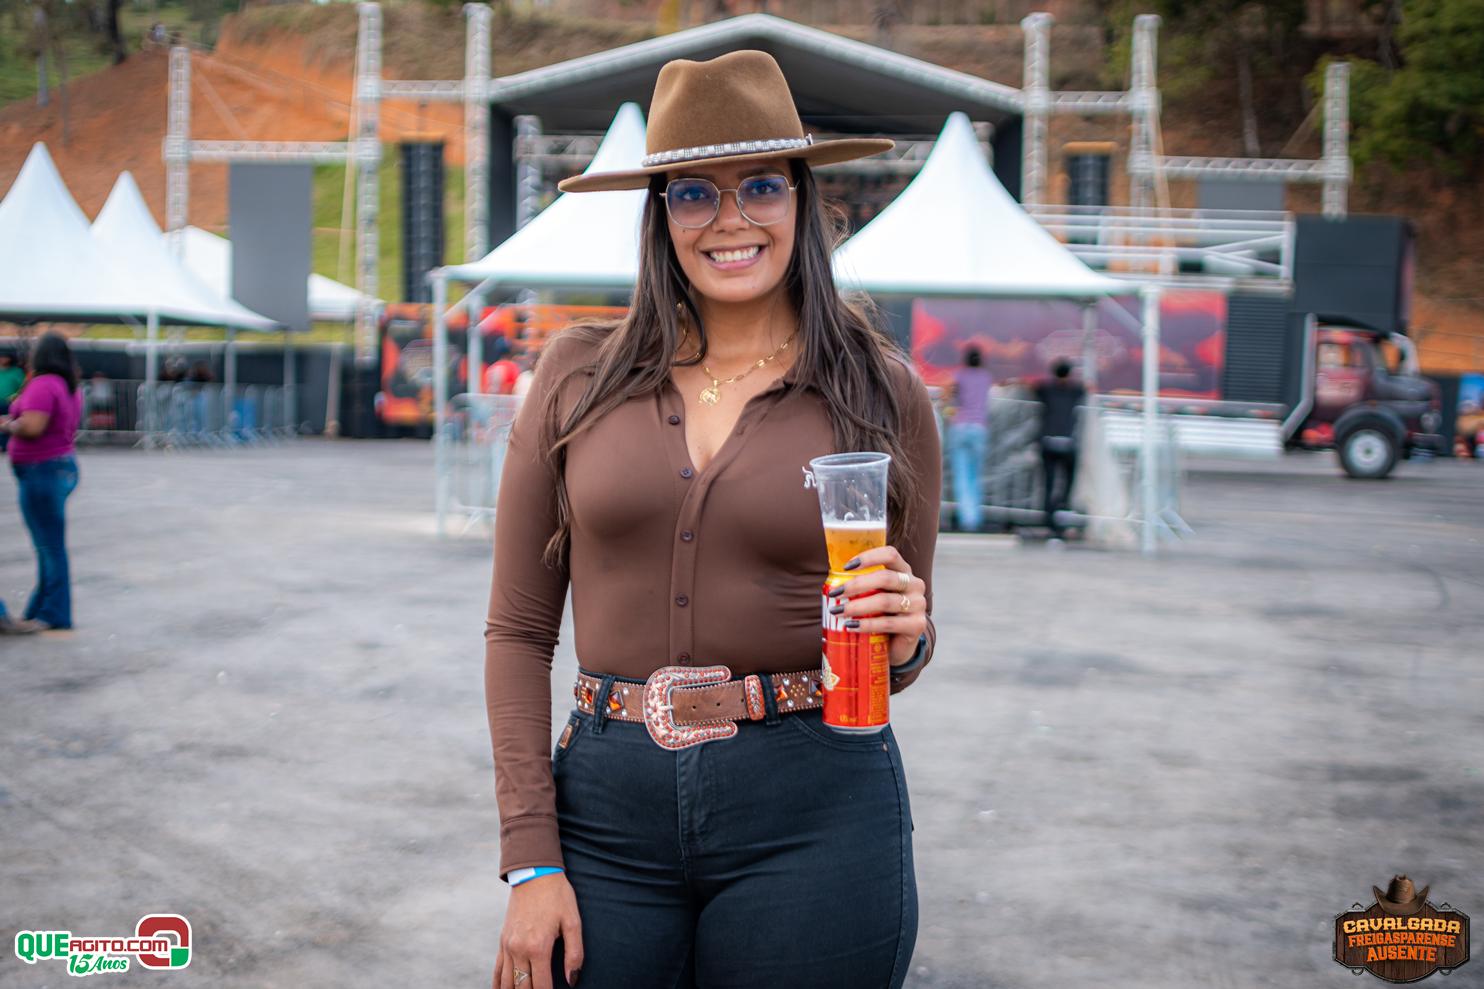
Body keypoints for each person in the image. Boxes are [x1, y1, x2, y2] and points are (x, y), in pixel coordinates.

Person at [485, 51, 940, 989]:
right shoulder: (576, 374)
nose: (731, 220)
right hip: (604, 812)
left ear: (803, 200)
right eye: (694, 193)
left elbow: (903, 641)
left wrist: (909, 638)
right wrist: (531, 857)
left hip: (816, 808)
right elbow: (519, 631)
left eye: (762, 186)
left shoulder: (881, 389)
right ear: (661, 215)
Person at [0, 332, 84, 631]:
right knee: (50, 545)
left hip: (41, 469)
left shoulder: (43, 384)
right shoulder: (68, 385)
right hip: (58, 466)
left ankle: (54, 613)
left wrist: (7, 424)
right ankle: (42, 609)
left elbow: (33, 426)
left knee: (49, 547)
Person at [1033, 358, 1086, 540]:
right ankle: (1062, 514)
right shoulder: (1075, 391)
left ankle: (1049, 519)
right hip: (1067, 443)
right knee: (1067, 484)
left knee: (1048, 483)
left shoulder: (1046, 389)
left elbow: (1033, 387)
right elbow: (1085, 389)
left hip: (1048, 442)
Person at [945, 344, 993, 532]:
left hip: (960, 425)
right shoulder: (986, 377)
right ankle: (976, 517)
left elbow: (947, 392)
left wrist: (951, 410)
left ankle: (966, 518)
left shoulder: (960, 375)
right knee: (976, 475)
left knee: (962, 474)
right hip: (979, 428)